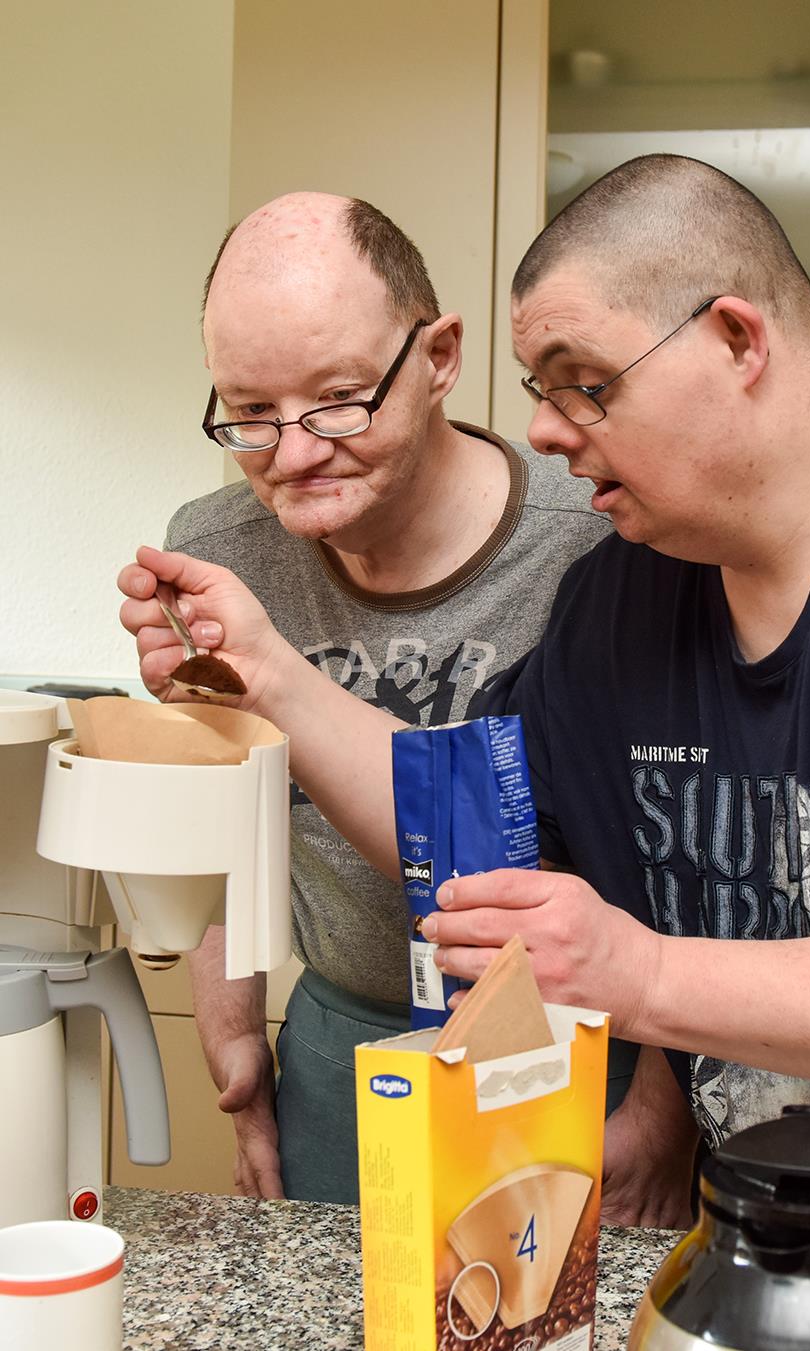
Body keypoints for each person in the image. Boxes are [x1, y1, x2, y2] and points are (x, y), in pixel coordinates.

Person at [122, 156, 810, 1208]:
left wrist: (646, 976)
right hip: (767, 1233)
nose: (540, 428)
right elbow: (467, 828)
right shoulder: (625, 593)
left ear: (735, 339)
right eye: (543, 390)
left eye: (584, 381)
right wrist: (264, 670)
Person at [118, 191, 682, 1213]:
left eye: (338, 400)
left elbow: (691, 851)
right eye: (246, 412)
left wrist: (664, 1101)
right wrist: (235, 1041)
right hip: (343, 1037)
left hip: (587, 1051)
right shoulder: (217, 551)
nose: (291, 455)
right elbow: (219, 827)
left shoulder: (599, 540)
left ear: (439, 356)